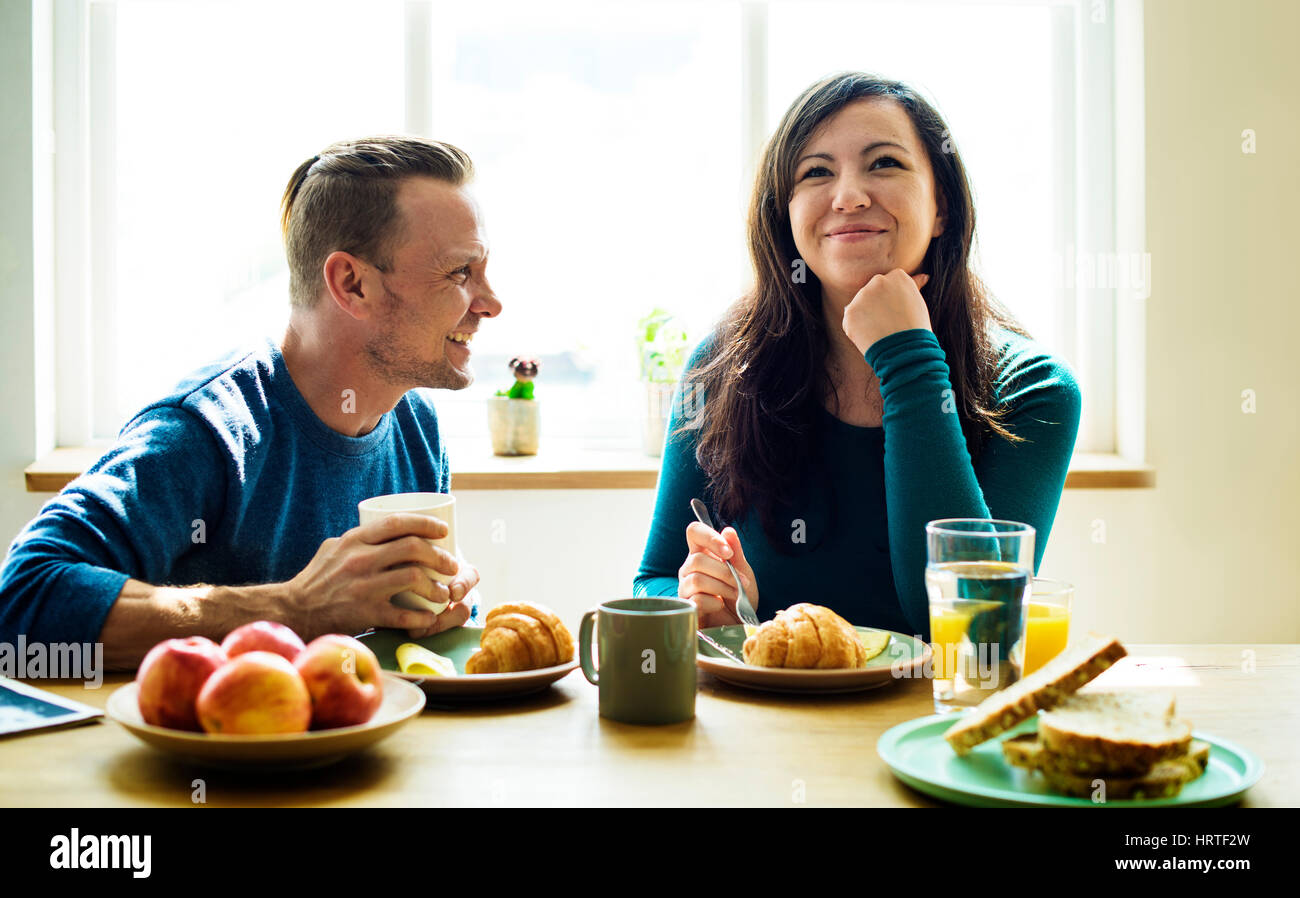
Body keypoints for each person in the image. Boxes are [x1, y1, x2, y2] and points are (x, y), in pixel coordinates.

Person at [0, 136, 501, 669]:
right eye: (460, 273)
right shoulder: (205, 432)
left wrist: (445, 605)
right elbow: (23, 600)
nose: (491, 303)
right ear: (352, 284)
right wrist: (294, 608)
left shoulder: (416, 426)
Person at [634, 73, 1082, 640]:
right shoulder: (720, 367)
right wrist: (702, 606)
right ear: (786, 214)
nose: (848, 196)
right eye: (816, 172)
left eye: (884, 163)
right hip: (770, 719)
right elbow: (652, 579)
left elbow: (973, 632)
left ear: (942, 207)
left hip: (933, 722)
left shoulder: (1033, 389)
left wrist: (908, 360)